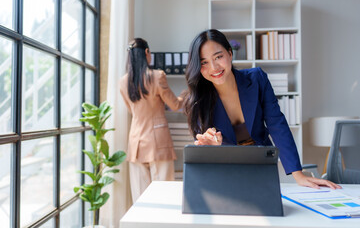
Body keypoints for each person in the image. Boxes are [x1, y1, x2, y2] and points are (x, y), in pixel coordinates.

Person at [183, 29, 341, 189]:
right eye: (204, 62)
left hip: (262, 165)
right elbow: (203, 151)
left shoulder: (257, 79)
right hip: (225, 172)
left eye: (218, 57)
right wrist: (212, 149)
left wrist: (298, 174)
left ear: (230, 54)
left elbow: (277, 125)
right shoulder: (198, 101)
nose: (214, 67)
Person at [119, 38, 185, 202]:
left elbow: (132, 111)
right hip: (158, 143)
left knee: (140, 199)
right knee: (164, 195)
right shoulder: (157, 76)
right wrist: (185, 93)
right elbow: (175, 105)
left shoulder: (123, 82)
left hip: (136, 144)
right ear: (147, 53)